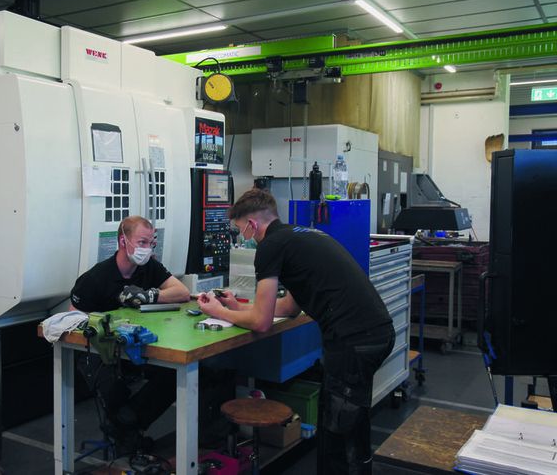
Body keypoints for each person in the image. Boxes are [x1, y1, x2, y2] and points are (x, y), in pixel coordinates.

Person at [198, 189, 394, 475]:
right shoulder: (301, 235)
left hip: (355, 340)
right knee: (344, 422)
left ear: (252, 224)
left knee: (339, 432)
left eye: (240, 230)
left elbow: (262, 323)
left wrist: (218, 312)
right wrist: (237, 306)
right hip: (373, 333)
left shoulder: (270, 246)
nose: (242, 237)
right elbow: (289, 307)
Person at [69, 215, 190, 450]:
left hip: (136, 344)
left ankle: (127, 426)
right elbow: (73, 318)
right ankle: (127, 429)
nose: (147, 248)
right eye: (142, 242)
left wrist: (150, 295)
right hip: (98, 350)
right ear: (123, 241)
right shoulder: (96, 278)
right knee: (114, 391)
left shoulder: (149, 267)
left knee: (173, 375)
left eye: (151, 243)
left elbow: (182, 292)